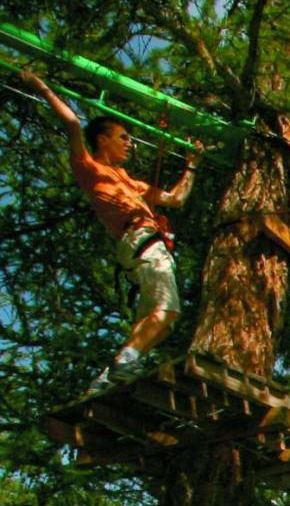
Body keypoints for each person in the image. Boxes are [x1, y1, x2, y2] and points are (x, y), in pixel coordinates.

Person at [21, 70, 203, 394]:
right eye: (123, 137)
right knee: (168, 311)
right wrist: (42, 87)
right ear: (103, 140)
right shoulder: (90, 169)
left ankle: (107, 378)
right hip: (142, 242)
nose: (130, 144)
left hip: (142, 246)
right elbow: (73, 124)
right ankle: (125, 363)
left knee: (156, 323)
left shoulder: (129, 181)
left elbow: (176, 199)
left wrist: (192, 165)